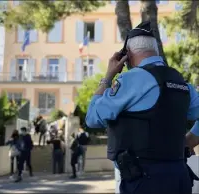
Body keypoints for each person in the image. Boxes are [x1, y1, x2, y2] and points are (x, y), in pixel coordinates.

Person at [85, 21, 199, 194]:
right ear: (156, 51)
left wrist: (108, 77)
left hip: (145, 180)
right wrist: (191, 139)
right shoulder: (181, 82)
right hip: (180, 176)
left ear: (127, 54)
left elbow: (92, 117)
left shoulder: (131, 80)